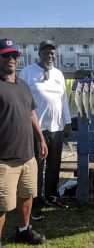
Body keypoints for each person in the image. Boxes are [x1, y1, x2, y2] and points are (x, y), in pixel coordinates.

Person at [0, 38, 48, 246]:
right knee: (1, 205)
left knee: (27, 194)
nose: (11, 59)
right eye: (6, 55)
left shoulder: (22, 85)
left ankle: (23, 229)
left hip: (28, 155)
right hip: (3, 159)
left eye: (14, 55)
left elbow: (31, 113)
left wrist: (41, 138)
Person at [19, 40, 72, 219]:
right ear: (39, 53)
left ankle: (51, 196)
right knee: (36, 167)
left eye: (53, 52)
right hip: (36, 129)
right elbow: (22, 99)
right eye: (47, 52)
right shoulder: (27, 71)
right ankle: (35, 202)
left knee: (54, 165)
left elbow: (63, 100)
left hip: (56, 128)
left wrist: (67, 122)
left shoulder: (58, 73)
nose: (51, 55)